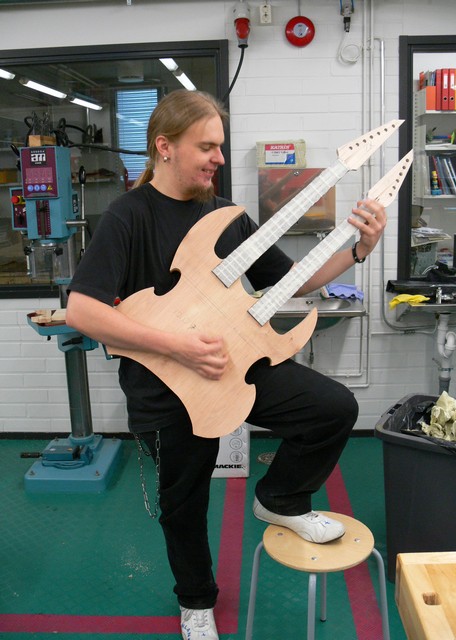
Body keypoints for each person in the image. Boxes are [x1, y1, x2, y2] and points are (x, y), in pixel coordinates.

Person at [66, 89, 387, 640]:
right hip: (165, 387)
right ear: (165, 147)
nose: (218, 157)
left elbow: (292, 280)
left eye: (220, 145)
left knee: (332, 409)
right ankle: (196, 602)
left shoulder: (223, 215)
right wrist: (175, 345)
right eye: (206, 147)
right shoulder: (128, 215)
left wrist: (360, 249)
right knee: (184, 504)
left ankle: (281, 498)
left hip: (233, 365)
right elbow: (82, 309)